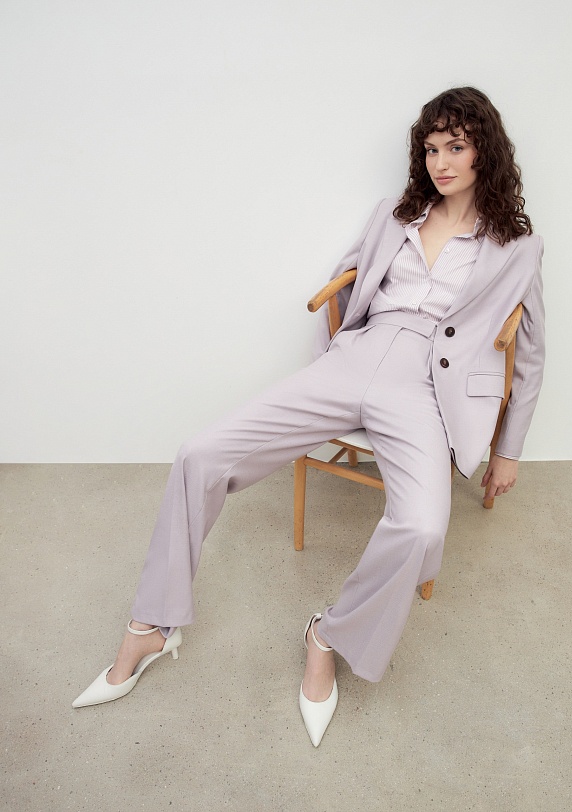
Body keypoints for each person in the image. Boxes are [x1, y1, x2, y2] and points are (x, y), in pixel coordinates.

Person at [72, 86, 545, 748]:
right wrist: (334, 357)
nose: (441, 162)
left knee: (420, 528)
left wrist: (508, 449)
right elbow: (349, 281)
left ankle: (327, 635)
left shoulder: (517, 245)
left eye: (456, 147)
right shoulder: (393, 215)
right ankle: (151, 625)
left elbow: (531, 351)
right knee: (200, 453)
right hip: (354, 358)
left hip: (425, 387)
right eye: (431, 149)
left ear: (483, 151)